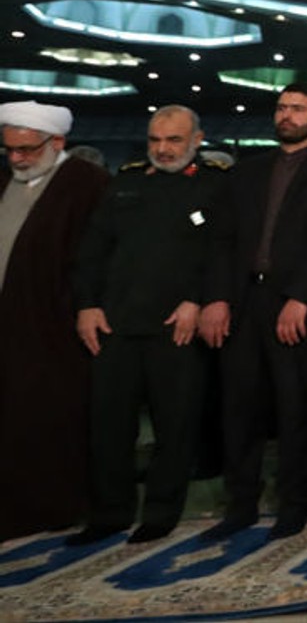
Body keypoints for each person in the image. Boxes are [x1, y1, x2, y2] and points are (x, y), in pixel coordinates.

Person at [200, 82, 307, 540]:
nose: (287, 116)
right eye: (282, 108)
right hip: (244, 303)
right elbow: (222, 240)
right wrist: (217, 298)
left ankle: (294, 503)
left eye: (298, 109)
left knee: (296, 409)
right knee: (239, 409)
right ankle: (241, 505)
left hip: (300, 306)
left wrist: (300, 297)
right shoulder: (247, 172)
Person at [67, 106, 226, 546]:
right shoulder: (126, 182)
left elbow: (222, 253)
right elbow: (92, 252)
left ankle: (160, 512)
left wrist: (198, 299)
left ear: (197, 140)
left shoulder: (216, 186)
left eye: (174, 140)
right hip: (115, 324)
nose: (163, 149)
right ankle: (109, 513)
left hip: (177, 327)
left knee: (175, 426)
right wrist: (87, 305)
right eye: (156, 140)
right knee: (108, 426)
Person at [0, 101, 109, 542]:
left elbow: (96, 256)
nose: (18, 158)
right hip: (9, 325)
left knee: (47, 421)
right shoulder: (6, 179)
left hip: (54, 327)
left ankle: (51, 508)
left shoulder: (87, 183)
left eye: (27, 149)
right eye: (10, 149)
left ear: (57, 142)